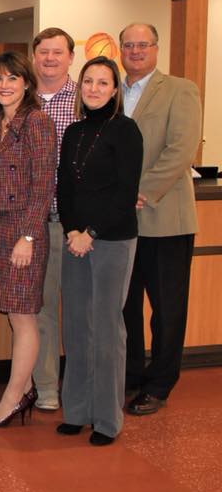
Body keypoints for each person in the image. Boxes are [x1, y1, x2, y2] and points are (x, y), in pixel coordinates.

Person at [56, 56, 143, 446]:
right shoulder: (74, 132)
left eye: (102, 83)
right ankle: (76, 410)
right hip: (75, 240)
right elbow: (65, 189)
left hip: (111, 240)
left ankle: (107, 419)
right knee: (76, 326)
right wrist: (73, 230)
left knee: (107, 329)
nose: (93, 88)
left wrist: (91, 232)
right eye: (88, 81)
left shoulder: (126, 131)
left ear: (115, 90)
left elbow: (125, 194)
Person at [119, 23, 202, 416]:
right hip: (122, 225)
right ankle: (131, 373)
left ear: (156, 48)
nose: (135, 51)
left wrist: (142, 191)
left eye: (142, 45)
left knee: (167, 309)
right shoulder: (110, 91)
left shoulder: (179, 89)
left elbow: (181, 150)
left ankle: (160, 383)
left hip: (165, 218)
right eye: (128, 45)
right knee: (126, 306)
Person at [0, 51, 56, 427]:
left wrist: (28, 236)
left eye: (12, 78)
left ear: (27, 82)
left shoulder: (37, 122)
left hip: (25, 231)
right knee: (13, 313)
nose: (4, 86)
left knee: (23, 318)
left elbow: (44, 185)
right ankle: (21, 391)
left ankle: (12, 398)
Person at [31, 27, 78, 412]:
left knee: (79, 307)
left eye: (57, 52)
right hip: (34, 222)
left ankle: (79, 385)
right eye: (43, 52)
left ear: (70, 58)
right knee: (41, 309)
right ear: (34, 57)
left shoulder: (87, 97)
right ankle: (46, 387)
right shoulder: (19, 97)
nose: (49, 58)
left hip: (74, 223)